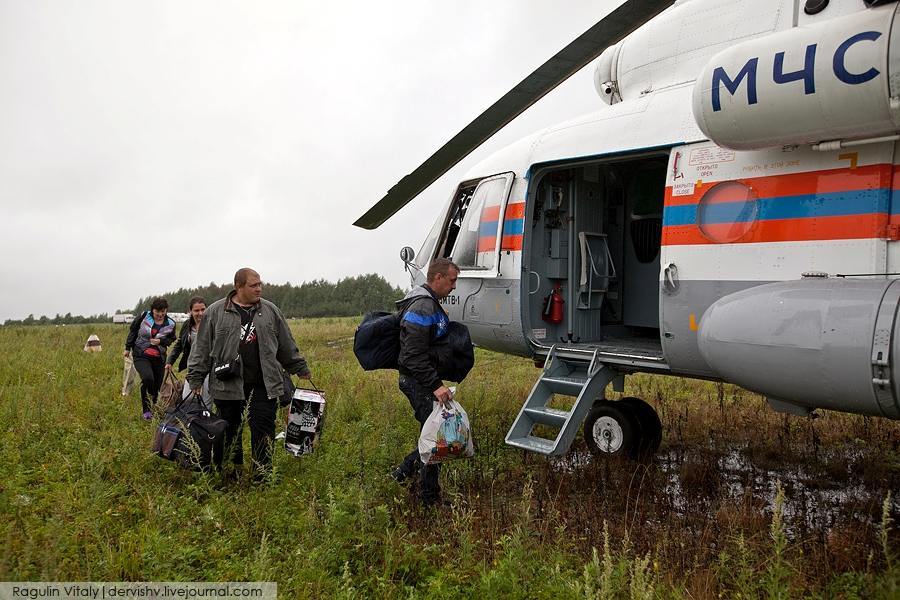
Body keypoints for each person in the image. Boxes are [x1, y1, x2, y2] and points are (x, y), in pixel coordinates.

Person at [187, 268, 311, 482]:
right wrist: (196, 377)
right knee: (229, 430)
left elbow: (285, 344)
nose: (259, 289)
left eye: (260, 284)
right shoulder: (216, 312)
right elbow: (201, 347)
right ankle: (231, 473)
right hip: (228, 384)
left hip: (264, 383)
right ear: (239, 286)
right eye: (254, 285)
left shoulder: (270, 310)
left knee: (263, 429)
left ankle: (261, 476)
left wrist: (299, 367)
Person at [390, 257, 459, 507]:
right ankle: (429, 500)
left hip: (423, 380)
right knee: (435, 440)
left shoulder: (430, 305)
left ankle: (402, 473)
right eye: (452, 281)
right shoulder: (421, 308)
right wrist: (435, 385)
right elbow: (412, 355)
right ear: (437, 278)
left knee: (430, 436)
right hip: (419, 381)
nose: (454, 287)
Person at [124, 298, 177, 421]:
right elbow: (133, 331)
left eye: (163, 311)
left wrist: (161, 341)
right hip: (141, 354)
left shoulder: (171, 323)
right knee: (148, 378)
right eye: (157, 311)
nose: (160, 314)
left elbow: (171, 339)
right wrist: (127, 348)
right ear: (152, 310)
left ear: (166, 311)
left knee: (157, 386)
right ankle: (146, 411)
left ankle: (153, 406)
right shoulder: (144, 316)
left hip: (158, 357)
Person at [165, 296, 206, 374]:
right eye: (196, 310)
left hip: (209, 368)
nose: (200, 313)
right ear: (190, 311)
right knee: (188, 386)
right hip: (192, 367)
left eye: (203, 309)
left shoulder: (212, 325)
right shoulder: (187, 325)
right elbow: (179, 345)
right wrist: (169, 362)